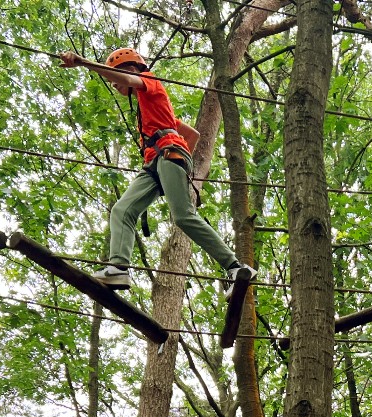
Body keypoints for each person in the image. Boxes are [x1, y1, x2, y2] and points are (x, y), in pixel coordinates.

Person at [58, 47, 254, 291]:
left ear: (129, 69)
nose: (115, 85)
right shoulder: (153, 109)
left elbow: (129, 81)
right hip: (156, 162)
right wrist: (173, 167)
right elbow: (193, 135)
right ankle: (118, 268)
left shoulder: (149, 82)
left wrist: (83, 62)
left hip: (167, 154)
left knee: (183, 216)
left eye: (114, 78)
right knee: (122, 210)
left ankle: (235, 267)